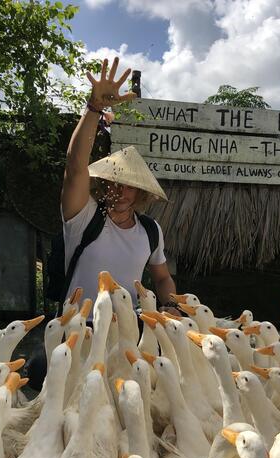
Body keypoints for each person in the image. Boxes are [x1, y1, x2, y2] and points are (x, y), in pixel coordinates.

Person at [61, 56, 180, 317]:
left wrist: (170, 304)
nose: (120, 191)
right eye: (113, 183)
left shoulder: (150, 230)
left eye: (128, 185)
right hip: (80, 332)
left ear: (139, 191)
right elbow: (75, 168)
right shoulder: (84, 216)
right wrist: (94, 109)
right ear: (103, 185)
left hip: (127, 334)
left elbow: (162, 278)